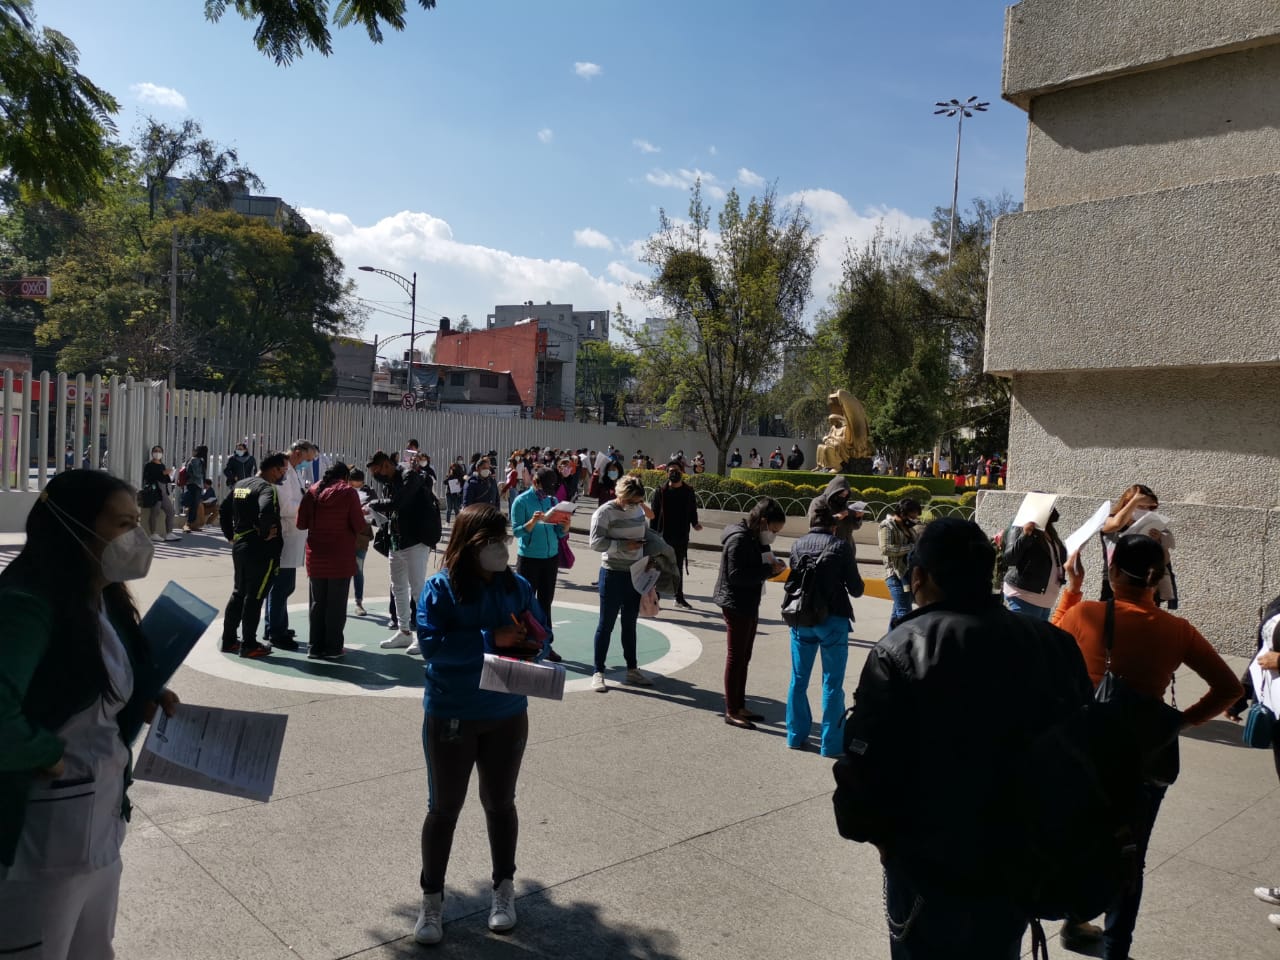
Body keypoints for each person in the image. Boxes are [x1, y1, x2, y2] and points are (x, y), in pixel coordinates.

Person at [836, 518, 1094, 960]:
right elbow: (1082, 748)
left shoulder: (899, 648)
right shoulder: (1054, 644)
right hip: (1019, 860)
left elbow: (867, 764)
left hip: (928, 864)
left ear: (920, 577)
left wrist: (879, 839)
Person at [0, 469, 178, 960]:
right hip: (41, 840)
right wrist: (45, 752)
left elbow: (95, 684)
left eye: (136, 521)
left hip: (100, 825)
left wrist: (143, 698)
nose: (137, 537)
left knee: (94, 949)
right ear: (74, 527)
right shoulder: (26, 604)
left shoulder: (101, 595)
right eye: (123, 524)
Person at [1052, 535, 1242, 959]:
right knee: (1130, 856)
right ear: (1158, 580)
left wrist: (1072, 588)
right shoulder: (1177, 630)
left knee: (1078, 838)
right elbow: (1229, 688)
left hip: (1084, 757)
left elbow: (1049, 642)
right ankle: (1115, 948)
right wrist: (1179, 722)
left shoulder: (1086, 614)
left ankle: (1075, 915)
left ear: (1112, 571)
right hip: (1142, 761)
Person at [410, 504, 551, 945]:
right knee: (443, 808)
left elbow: (542, 635)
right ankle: (432, 900)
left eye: (502, 539)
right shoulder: (440, 588)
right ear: (468, 544)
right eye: (488, 541)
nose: (499, 549)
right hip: (452, 713)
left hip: (506, 713)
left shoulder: (517, 586)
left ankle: (503, 889)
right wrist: (491, 638)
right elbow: (432, 647)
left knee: (500, 803)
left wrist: (534, 643)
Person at [785, 496, 863, 755]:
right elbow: (857, 589)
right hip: (833, 618)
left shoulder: (797, 545)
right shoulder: (840, 546)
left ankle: (795, 735)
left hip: (802, 618)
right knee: (832, 683)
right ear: (833, 525)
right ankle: (830, 745)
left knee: (798, 680)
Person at [713, 498, 787, 729]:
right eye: (774, 530)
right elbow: (736, 575)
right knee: (736, 657)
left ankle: (740, 704)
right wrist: (767, 570)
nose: (774, 535)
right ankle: (731, 710)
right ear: (763, 522)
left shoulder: (755, 538)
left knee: (744, 656)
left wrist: (774, 568)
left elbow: (759, 567)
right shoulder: (739, 539)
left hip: (749, 601)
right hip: (736, 603)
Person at [587, 475, 656, 692]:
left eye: (638, 501)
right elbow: (595, 543)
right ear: (621, 495)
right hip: (612, 573)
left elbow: (644, 534)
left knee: (630, 623)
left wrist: (648, 557)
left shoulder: (638, 510)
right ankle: (598, 671)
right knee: (606, 624)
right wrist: (624, 546)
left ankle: (632, 669)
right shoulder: (604, 512)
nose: (635, 505)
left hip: (635, 573)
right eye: (631, 501)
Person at [368, 450, 440, 654]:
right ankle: (404, 631)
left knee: (418, 589)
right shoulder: (390, 482)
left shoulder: (410, 476)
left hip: (415, 541)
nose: (376, 476)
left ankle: (424, 636)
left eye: (376, 471)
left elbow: (398, 502)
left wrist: (373, 504)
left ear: (386, 465)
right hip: (396, 541)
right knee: (398, 587)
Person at [296, 462, 366, 661]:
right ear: (345, 476)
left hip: (316, 557)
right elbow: (359, 525)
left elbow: (301, 524)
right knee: (336, 605)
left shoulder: (312, 491)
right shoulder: (349, 493)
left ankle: (314, 647)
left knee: (317, 604)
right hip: (340, 556)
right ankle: (333, 648)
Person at [221, 454, 288, 658]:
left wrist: (230, 536)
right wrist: (266, 532)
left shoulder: (241, 485)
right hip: (260, 550)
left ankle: (229, 640)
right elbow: (266, 509)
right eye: (283, 471)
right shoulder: (267, 488)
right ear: (274, 470)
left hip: (240, 545)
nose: (284, 475)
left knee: (239, 592)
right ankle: (249, 644)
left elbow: (224, 509)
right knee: (255, 596)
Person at [510, 466, 572, 663]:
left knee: (546, 602)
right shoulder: (521, 501)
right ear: (535, 482)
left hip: (550, 558)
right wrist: (532, 522)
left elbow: (558, 533)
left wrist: (565, 527)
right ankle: (522, 643)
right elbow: (517, 531)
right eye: (545, 487)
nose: (547, 492)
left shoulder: (553, 501)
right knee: (525, 603)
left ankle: (546, 644)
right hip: (529, 558)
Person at [263, 440, 312, 652]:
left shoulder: (290, 471)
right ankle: (276, 631)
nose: (306, 464)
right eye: (306, 459)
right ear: (297, 453)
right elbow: (286, 506)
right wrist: (308, 505)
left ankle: (276, 626)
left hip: (291, 535)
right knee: (281, 587)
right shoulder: (282, 473)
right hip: (285, 535)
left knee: (282, 587)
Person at [650, 461, 702, 609]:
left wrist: (695, 523)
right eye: (671, 471)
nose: (674, 473)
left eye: (677, 471)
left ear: (682, 472)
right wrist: (651, 535)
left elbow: (692, 510)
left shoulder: (688, 491)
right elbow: (653, 514)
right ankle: (655, 598)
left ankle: (678, 598)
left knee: (678, 567)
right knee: (659, 567)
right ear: (667, 473)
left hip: (681, 536)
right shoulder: (661, 491)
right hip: (663, 536)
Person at [1001, 508, 1067, 620]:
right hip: (1025, 597)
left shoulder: (1048, 529)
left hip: (1046, 601)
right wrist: (1025, 535)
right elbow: (1009, 559)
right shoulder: (1020, 524)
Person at [878, 498, 922, 626]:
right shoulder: (887, 525)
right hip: (896, 574)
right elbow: (886, 549)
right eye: (912, 516)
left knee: (897, 613)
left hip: (908, 574)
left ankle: (892, 637)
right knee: (905, 613)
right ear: (902, 514)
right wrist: (910, 547)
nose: (914, 520)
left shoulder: (909, 529)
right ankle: (907, 637)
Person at [141, 445, 181, 542]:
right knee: (155, 512)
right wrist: (162, 473)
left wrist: (169, 475)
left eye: (159, 451)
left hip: (163, 492)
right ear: (152, 453)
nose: (157, 453)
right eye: (155, 451)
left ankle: (169, 533)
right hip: (155, 491)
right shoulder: (149, 465)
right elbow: (148, 478)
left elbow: (164, 479)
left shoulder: (162, 465)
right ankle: (153, 533)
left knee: (170, 511)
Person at [349, 468, 373, 616]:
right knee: (343, 570)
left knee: (358, 569)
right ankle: (340, 601)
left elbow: (375, 513)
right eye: (352, 481)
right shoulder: (343, 491)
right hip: (346, 535)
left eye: (357, 482)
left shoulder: (369, 493)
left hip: (362, 535)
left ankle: (359, 601)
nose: (354, 485)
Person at [180, 444, 207, 531]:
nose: (194, 451)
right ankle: (188, 524)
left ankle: (192, 524)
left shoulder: (198, 460)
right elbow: (196, 474)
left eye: (195, 450)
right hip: (194, 484)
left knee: (195, 505)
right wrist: (202, 476)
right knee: (193, 505)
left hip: (196, 485)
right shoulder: (195, 460)